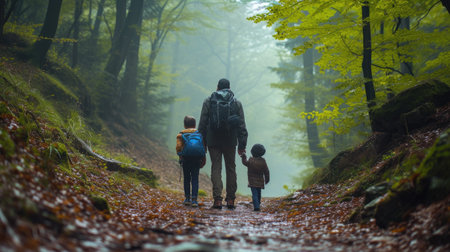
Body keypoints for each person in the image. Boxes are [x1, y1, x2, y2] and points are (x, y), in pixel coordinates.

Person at [199, 78, 248, 209]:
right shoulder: (236, 103)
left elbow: (202, 124)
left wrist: (202, 143)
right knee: (231, 168)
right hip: (230, 140)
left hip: (213, 140)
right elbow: (242, 125)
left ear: (217, 87)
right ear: (229, 88)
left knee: (216, 168)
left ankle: (217, 200)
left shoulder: (208, 101)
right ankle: (231, 199)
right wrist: (242, 145)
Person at [176, 116, 206, 207]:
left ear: (185, 125)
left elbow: (178, 147)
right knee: (195, 178)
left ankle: (187, 198)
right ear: (195, 124)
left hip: (186, 158)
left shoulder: (181, 134)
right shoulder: (199, 133)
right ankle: (194, 200)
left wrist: (180, 155)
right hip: (197, 159)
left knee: (187, 178)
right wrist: (203, 158)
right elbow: (203, 146)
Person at [241, 144, 270, 211]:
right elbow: (266, 171)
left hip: (252, 181)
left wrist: (243, 157)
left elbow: (245, 163)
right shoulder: (263, 161)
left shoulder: (251, 160)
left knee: (254, 194)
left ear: (252, 152)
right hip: (260, 181)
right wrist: (267, 179)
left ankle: (256, 206)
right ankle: (258, 203)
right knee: (258, 193)